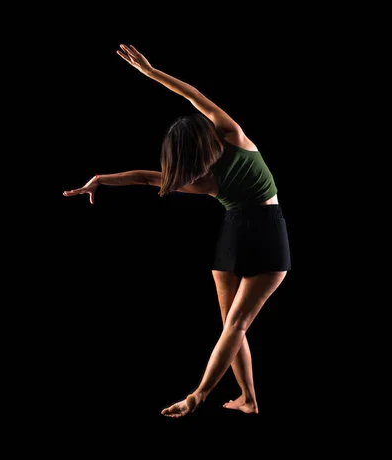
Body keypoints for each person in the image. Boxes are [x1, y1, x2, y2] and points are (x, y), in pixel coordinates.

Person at [63, 44, 291, 418]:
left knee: (231, 326)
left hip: (232, 235)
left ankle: (247, 399)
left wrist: (101, 180)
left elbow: (144, 178)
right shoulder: (231, 133)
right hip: (269, 232)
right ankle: (203, 396)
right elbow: (192, 94)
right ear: (205, 133)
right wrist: (151, 72)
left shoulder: (199, 181)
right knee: (236, 325)